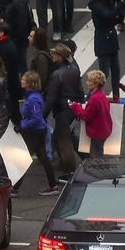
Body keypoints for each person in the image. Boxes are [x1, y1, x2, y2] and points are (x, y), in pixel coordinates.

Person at [44, 43, 82, 174]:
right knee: (62, 137)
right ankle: (84, 159)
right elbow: (80, 92)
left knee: (64, 142)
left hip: (62, 110)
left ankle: (69, 171)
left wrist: (43, 115)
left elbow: (51, 98)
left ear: (61, 57)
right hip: (72, 109)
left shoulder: (57, 74)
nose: (52, 55)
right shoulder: (75, 70)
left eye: (55, 54)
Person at [20, 71, 59, 195]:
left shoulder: (33, 99)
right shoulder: (33, 97)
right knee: (43, 158)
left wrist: (22, 125)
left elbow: (36, 119)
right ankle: (53, 185)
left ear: (30, 84)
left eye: (24, 80)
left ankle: (14, 188)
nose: (21, 81)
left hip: (34, 133)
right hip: (37, 131)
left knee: (24, 160)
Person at [70, 70, 112, 157]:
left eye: (89, 81)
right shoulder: (102, 95)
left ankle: (97, 169)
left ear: (96, 84)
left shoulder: (94, 99)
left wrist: (75, 106)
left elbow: (86, 116)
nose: (86, 82)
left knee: (95, 156)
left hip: (98, 132)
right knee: (98, 151)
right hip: (104, 129)